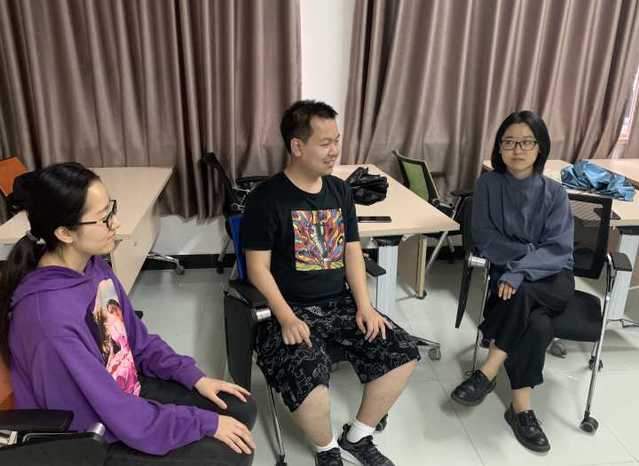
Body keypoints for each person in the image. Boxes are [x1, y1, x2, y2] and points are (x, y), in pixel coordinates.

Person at [0, 162, 257, 466]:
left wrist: (194, 377)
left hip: (122, 391)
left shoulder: (92, 266)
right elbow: (108, 413)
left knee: (240, 408)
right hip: (91, 436)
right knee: (229, 454)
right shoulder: (49, 319)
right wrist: (201, 422)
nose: (116, 223)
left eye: (112, 209)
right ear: (65, 233)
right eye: (103, 218)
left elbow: (138, 342)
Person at [241, 100, 420, 466]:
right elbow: (257, 268)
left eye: (336, 140)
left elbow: (352, 252)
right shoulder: (266, 199)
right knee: (313, 388)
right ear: (297, 146)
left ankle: (358, 437)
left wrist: (365, 306)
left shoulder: (339, 191)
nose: (335, 150)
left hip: (339, 303)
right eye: (325, 143)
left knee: (403, 353)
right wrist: (286, 318)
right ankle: (326, 450)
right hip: (288, 311)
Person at [450, 111, 574, 453]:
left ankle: (486, 373)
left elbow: (558, 250)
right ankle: (522, 411)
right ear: (499, 147)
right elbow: (485, 237)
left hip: (553, 278)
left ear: (540, 147)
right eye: (509, 142)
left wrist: (520, 270)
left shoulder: (555, 192)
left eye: (526, 142)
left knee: (521, 294)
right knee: (536, 325)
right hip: (511, 277)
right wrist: (526, 257)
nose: (517, 150)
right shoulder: (488, 185)